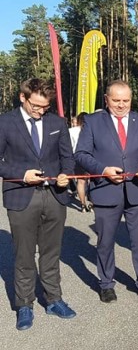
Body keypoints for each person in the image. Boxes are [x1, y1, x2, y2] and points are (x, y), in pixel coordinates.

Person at [75, 80, 138, 302]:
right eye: (116, 100)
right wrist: (102, 170)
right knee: (105, 242)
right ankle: (106, 283)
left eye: (126, 100)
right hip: (106, 191)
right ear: (106, 99)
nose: (122, 105)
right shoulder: (93, 122)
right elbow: (81, 154)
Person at [0, 78, 76, 330]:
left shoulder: (57, 122)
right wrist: (22, 174)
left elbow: (67, 156)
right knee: (23, 255)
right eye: (36, 106)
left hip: (54, 196)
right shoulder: (5, 122)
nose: (41, 111)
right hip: (21, 196)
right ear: (22, 98)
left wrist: (67, 175)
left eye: (45, 107)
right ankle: (24, 305)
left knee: (51, 252)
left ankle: (54, 299)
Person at [69, 112, 92, 212]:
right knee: (93, 181)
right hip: (90, 157)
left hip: (77, 157)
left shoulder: (72, 131)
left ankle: (82, 205)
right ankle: (92, 203)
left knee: (81, 182)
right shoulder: (91, 130)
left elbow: (68, 146)